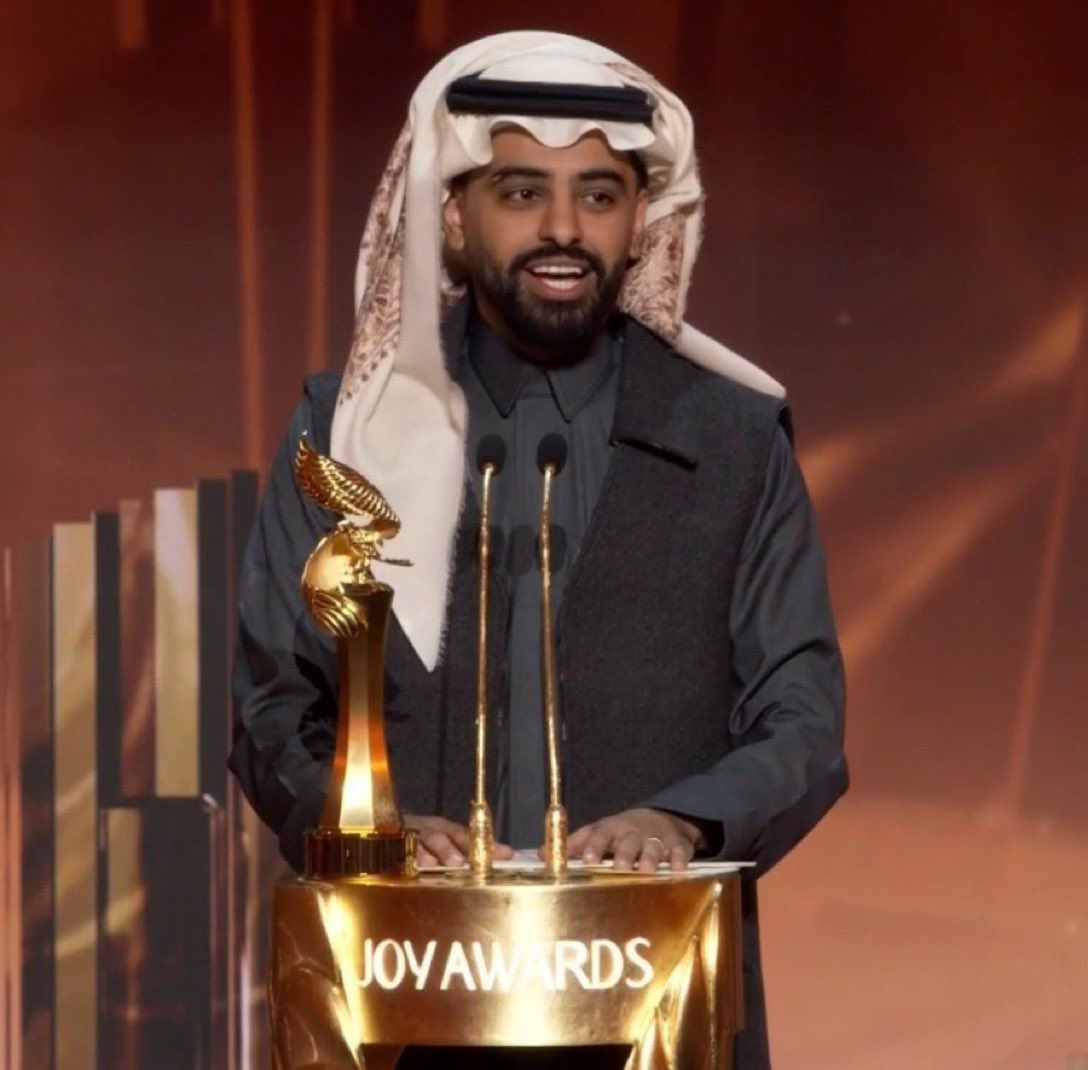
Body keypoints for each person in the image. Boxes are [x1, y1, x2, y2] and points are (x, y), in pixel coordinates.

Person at [230, 31, 848, 1068]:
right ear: (452, 215)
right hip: (401, 1002)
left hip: (651, 1005)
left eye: (599, 195)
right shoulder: (346, 437)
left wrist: (683, 822)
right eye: (521, 192)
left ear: (641, 221)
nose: (563, 228)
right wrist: (365, 826)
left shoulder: (736, 441)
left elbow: (803, 721)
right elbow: (271, 706)